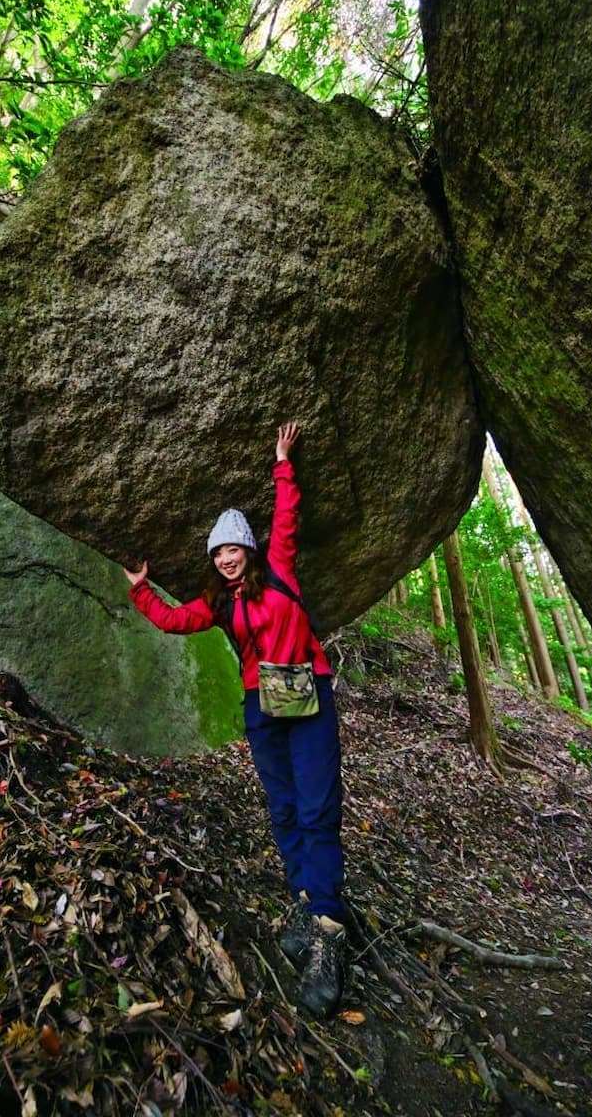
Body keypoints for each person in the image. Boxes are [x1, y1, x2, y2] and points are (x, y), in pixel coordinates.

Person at [124, 422, 347, 1018]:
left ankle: (329, 930)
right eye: (217, 551)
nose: (225, 558)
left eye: (232, 548)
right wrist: (142, 593)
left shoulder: (278, 570)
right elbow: (175, 621)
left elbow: (288, 513)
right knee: (284, 806)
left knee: (319, 804)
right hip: (262, 705)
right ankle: (306, 896)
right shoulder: (220, 602)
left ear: (248, 548)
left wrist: (281, 462)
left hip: (308, 693)